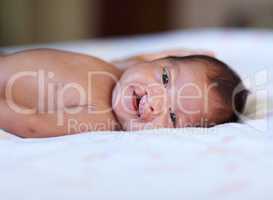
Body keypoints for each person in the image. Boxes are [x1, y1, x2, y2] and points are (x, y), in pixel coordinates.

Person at [0, 48, 248, 138]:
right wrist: (181, 51)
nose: (155, 101)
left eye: (172, 116)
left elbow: (32, 125)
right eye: (165, 79)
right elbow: (139, 59)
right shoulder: (122, 71)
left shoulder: (101, 118)